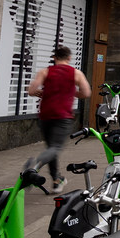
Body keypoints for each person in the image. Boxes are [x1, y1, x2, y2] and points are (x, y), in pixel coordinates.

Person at [26, 46, 92, 193]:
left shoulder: (45, 72)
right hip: (63, 116)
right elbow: (86, 92)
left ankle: (56, 180)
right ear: (69, 58)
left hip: (45, 116)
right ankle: (35, 165)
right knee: (55, 148)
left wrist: (40, 93)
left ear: (54, 58)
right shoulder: (76, 73)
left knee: (51, 148)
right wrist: (73, 92)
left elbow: (31, 91)